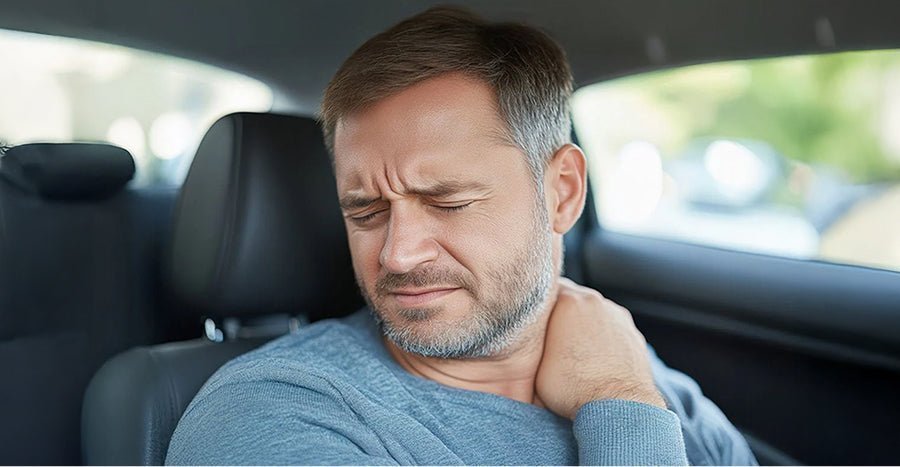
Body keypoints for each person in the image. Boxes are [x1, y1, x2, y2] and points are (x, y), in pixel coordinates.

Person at [166, 7, 757, 466]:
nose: (398, 255)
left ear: (562, 193)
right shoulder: (275, 412)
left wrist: (621, 383)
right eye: (366, 212)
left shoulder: (614, 348)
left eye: (448, 201)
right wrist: (620, 404)